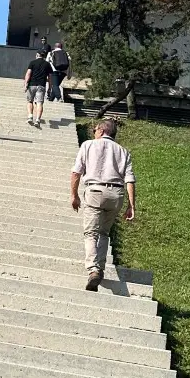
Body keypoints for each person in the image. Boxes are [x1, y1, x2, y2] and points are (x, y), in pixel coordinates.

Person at [70, 119, 136, 292]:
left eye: (94, 129)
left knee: (91, 233)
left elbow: (76, 172)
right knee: (104, 233)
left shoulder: (88, 145)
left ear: (101, 130)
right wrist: (131, 205)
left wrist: (74, 195)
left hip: (95, 192)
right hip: (116, 195)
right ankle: (100, 267)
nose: (93, 132)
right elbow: (129, 180)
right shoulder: (123, 151)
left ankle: (94, 269)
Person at [24, 50, 51, 127]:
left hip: (32, 85)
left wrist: (26, 84)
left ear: (37, 55)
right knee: (39, 103)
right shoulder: (47, 64)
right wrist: (50, 87)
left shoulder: (32, 62)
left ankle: (30, 116)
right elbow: (49, 77)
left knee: (30, 101)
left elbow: (28, 73)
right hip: (41, 86)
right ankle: (38, 120)